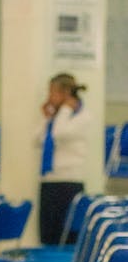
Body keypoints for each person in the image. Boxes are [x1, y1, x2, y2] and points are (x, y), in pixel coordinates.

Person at [36, 72, 93, 244]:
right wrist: (48, 118)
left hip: (68, 181)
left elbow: (58, 134)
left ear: (65, 94)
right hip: (49, 179)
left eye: (52, 92)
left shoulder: (82, 117)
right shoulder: (58, 118)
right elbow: (38, 139)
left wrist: (66, 108)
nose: (49, 97)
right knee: (47, 236)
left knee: (66, 237)